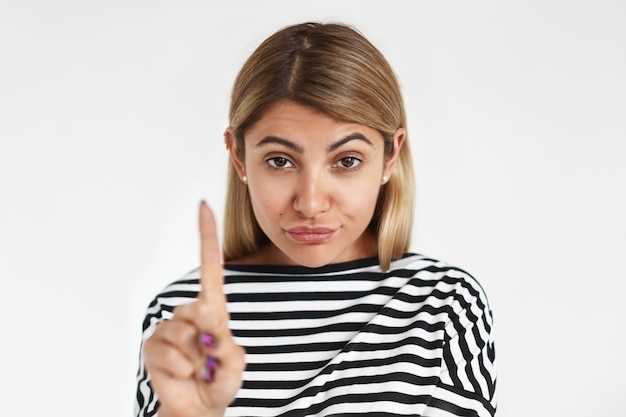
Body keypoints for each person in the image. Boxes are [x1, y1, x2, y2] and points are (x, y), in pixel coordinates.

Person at [135, 22, 496, 417]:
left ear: (389, 157)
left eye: (346, 161)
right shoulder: (180, 319)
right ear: (238, 157)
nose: (310, 203)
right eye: (280, 161)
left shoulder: (442, 305)